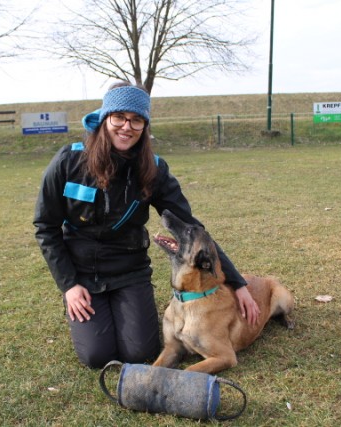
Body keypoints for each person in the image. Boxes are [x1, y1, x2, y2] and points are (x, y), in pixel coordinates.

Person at [34, 81, 260, 369]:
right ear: (106, 118)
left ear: (144, 126)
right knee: (98, 356)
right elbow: (45, 226)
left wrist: (237, 283)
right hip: (82, 274)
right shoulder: (69, 161)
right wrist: (69, 285)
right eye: (119, 117)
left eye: (136, 119)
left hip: (129, 271)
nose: (127, 127)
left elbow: (192, 229)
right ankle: (87, 310)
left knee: (139, 352)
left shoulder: (153, 170)